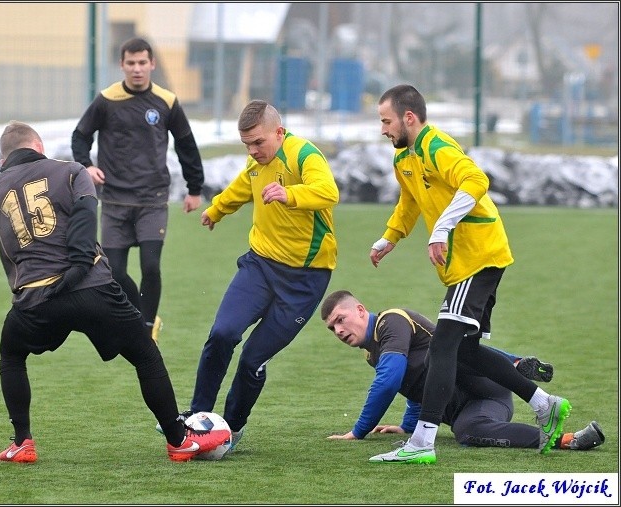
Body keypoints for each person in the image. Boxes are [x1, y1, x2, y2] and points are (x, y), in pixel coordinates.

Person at [0, 121, 227, 463]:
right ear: (39, 146)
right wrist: (76, 266)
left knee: (11, 356)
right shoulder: (71, 171)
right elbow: (87, 215)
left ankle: (22, 443)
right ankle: (179, 441)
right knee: (144, 353)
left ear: (4, 160)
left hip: (35, 298)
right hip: (92, 285)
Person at [368, 84, 572, 464]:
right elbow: (409, 202)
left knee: (443, 345)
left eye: (386, 121)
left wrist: (442, 227)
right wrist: (388, 238)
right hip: (467, 263)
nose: (383, 129)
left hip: (478, 255)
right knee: (464, 348)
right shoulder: (405, 159)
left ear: (408, 118)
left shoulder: (436, 146)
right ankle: (545, 403)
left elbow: (477, 181)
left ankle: (422, 443)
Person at [180, 99, 339, 452]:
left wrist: (290, 193)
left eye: (258, 143)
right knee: (222, 333)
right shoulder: (257, 161)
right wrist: (217, 209)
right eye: (246, 145)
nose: (252, 152)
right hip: (260, 265)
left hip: (305, 279)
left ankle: (231, 430)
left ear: (279, 133)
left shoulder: (304, 155)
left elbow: (329, 191)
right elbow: (244, 185)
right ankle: (196, 418)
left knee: (253, 359)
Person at [320, 290, 605, 452]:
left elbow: (390, 380)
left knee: (439, 359)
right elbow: (412, 387)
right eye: (333, 328)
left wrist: (358, 431)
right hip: (472, 409)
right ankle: (567, 440)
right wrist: (407, 425)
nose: (339, 330)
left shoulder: (390, 321)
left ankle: (514, 364)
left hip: (483, 387)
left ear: (360, 310)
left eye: (341, 320)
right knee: (466, 432)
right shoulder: (372, 354)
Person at [71, 37, 205, 343]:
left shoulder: (166, 102)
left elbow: (186, 145)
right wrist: (85, 166)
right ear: (122, 65)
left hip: (152, 199)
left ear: (152, 64)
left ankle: (145, 329)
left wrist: (194, 187)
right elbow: (80, 136)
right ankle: (141, 315)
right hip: (115, 201)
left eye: (142, 62)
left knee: (151, 266)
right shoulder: (106, 100)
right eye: (130, 63)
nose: (137, 69)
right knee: (113, 273)